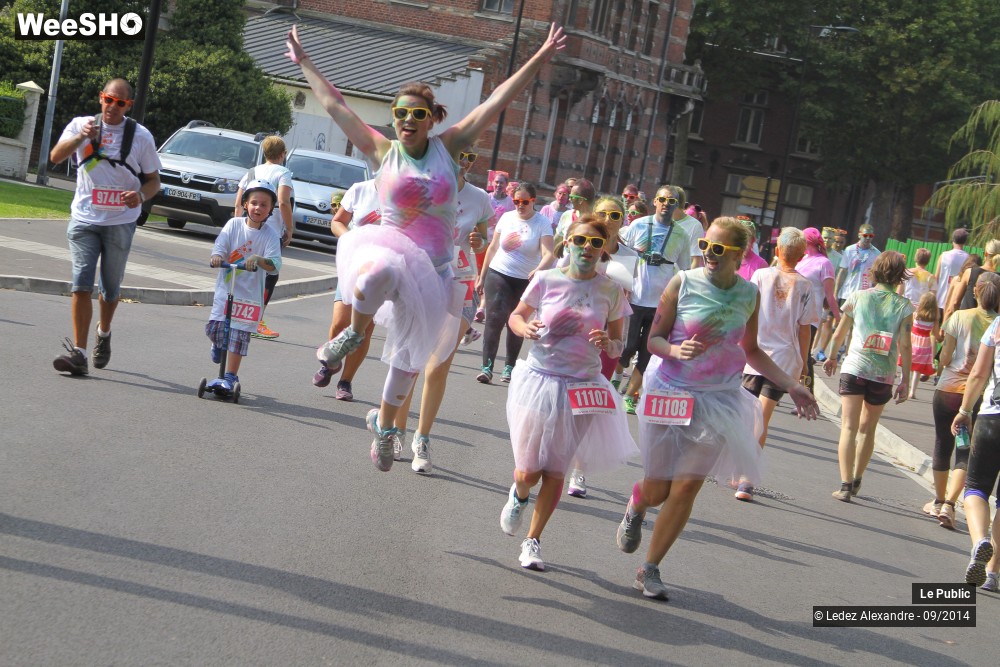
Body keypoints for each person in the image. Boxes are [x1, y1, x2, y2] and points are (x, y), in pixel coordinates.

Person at [286, 22, 566, 471]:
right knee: (374, 273)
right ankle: (354, 334)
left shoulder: (449, 147)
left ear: (432, 119)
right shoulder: (382, 151)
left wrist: (539, 58)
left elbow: (497, 102)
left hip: (434, 273)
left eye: (418, 114)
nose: (407, 121)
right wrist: (304, 62)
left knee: (409, 359)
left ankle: (386, 427)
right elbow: (336, 105)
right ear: (393, 117)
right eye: (401, 113)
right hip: (391, 250)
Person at [614, 217, 819, 601]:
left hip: (718, 398)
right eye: (706, 245)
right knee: (658, 488)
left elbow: (752, 350)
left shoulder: (748, 294)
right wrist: (675, 350)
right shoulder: (683, 282)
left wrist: (793, 385)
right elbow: (654, 339)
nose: (709, 253)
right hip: (670, 390)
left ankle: (650, 568)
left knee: (688, 485)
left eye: (719, 249)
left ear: (740, 255)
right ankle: (637, 504)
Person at [500, 215, 637, 570]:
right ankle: (519, 493)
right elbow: (515, 316)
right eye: (580, 241)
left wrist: (609, 342)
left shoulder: (611, 291)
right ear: (567, 243)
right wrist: (524, 326)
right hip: (541, 379)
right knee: (528, 470)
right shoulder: (545, 280)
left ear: (604, 248)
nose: (587, 248)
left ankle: (533, 540)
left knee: (557, 469)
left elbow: (620, 346)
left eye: (595, 243)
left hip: (583, 386)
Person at [50, 78, 162, 376]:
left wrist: (138, 195)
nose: (112, 106)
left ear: (129, 105)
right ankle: (79, 352)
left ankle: (104, 331)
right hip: (84, 219)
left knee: (110, 289)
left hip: (120, 222)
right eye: (108, 99)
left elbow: (154, 181)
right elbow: (55, 157)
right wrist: (80, 139)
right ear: (101, 98)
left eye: (120, 102)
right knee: (81, 283)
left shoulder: (140, 136)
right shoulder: (80, 125)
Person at [391, 146, 493, 472]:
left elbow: (483, 237)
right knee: (410, 361)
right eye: (458, 155)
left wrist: (480, 243)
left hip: (460, 284)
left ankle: (422, 438)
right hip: (422, 281)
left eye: (470, 157)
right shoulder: (425, 190)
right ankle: (397, 428)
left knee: (436, 366)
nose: (463, 162)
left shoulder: (480, 198)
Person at [736, 228, 821, 501]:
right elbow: (804, 329)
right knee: (763, 415)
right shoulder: (806, 286)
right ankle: (747, 478)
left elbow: (746, 311)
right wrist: (805, 363)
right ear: (802, 256)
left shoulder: (761, 276)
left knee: (748, 414)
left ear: (776, 251)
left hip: (754, 352)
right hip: (785, 357)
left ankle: (740, 471)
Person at [823, 251, 913, 502]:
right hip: (883, 374)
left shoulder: (858, 297)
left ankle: (844, 484)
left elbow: (840, 331)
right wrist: (905, 379)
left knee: (848, 427)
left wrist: (831, 356)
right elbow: (905, 345)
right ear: (899, 275)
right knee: (868, 429)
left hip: (855, 367)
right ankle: (858, 477)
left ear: (875, 270)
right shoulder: (904, 306)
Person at [567, 195, 637, 498]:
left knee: (589, 406)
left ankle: (579, 471)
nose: (608, 219)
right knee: (559, 405)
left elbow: (626, 303)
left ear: (623, 221)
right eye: (603, 213)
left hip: (605, 338)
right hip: (569, 339)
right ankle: (551, 462)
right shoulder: (577, 244)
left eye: (615, 215)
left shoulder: (628, 257)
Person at [927, 273, 1000, 529]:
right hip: (979, 396)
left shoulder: (959, 317)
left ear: (976, 291)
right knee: (964, 450)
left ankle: (937, 500)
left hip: (949, 389)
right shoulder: (996, 323)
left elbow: (945, 357)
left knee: (942, 444)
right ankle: (950, 503)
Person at [617, 185, 694, 414]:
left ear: (678, 205)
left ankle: (630, 395)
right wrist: (624, 281)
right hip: (636, 296)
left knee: (648, 351)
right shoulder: (640, 225)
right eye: (662, 199)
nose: (666, 205)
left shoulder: (680, 234)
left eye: (672, 201)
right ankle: (614, 379)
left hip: (661, 302)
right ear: (654, 201)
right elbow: (619, 251)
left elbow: (685, 269)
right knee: (628, 346)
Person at [206, 181, 283, 390]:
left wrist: (258, 259)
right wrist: (216, 257)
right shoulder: (233, 225)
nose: (258, 208)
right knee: (215, 329)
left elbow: (275, 266)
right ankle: (217, 343)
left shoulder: (270, 235)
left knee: (239, 336)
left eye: (264, 205)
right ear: (246, 204)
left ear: (270, 209)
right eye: (254, 203)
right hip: (226, 289)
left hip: (249, 295)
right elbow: (220, 246)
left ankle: (230, 376)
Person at [476, 183, 555, 383]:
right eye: (516, 201)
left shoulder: (541, 223)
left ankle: (509, 366)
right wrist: (482, 276)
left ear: (533, 201)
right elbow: (493, 248)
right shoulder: (507, 217)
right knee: (495, 316)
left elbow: (549, 254)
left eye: (524, 202)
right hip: (499, 273)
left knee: (515, 321)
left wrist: (539, 269)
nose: (520, 205)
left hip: (524, 279)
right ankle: (487, 367)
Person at [311, 181, 380, 400]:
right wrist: (351, 238)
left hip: (382, 269)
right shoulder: (360, 189)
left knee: (365, 328)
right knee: (341, 322)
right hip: (354, 264)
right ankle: (331, 362)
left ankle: (346, 381)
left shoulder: (405, 198)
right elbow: (338, 221)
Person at [951, 303, 1000, 588]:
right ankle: (992, 574)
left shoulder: (997, 326)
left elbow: (979, 374)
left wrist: (965, 410)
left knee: (976, 486)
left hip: (992, 418)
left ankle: (980, 540)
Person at [234, 135, 294, 340]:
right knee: (270, 273)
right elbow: (284, 202)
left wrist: (237, 226)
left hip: (247, 227)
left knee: (246, 273)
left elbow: (238, 202)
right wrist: (290, 228)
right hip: (271, 230)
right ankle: (257, 320)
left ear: (264, 153)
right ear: (282, 154)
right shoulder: (283, 172)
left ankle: (239, 315)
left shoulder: (251, 172)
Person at [796, 227, 841, 390]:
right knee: (788, 352)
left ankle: (808, 392)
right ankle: (776, 389)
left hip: (809, 315)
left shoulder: (824, 263)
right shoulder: (802, 259)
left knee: (804, 355)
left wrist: (838, 318)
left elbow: (830, 295)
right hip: (792, 312)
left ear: (808, 241)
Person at [946, 239, 1000, 321]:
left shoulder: (970, 272)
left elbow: (955, 302)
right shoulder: (998, 279)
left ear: (985, 253)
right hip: (987, 328)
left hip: (965, 322)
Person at [813, 227, 845, 361]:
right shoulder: (814, 253)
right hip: (813, 292)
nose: (827, 241)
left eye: (830, 238)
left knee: (822, 323)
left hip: (826, 294)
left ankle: (816, 350)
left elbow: (838, 276)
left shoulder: (838, 257)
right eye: (825, 237)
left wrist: (833, 294)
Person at [901, 292, 940, 399]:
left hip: (913, 341)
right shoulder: (934, 318)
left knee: (907, 365)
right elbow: (935, 334)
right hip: (924, 344)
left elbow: (909, 326)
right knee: (917, 370)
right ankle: (912, 392)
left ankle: (902, 385)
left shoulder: (916, 314)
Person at [934, 228, 970, 317]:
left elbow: (936, 278)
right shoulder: (968, 259)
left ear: (952, 240)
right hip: (956, 302)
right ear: (965, 242)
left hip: (940, 300)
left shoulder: (944, 256)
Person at [735, 216, 768, 281]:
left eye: (746, 239)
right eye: (738, 238)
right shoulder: (725, 258)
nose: (742, 243)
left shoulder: (761, 265)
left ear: (753, 240)